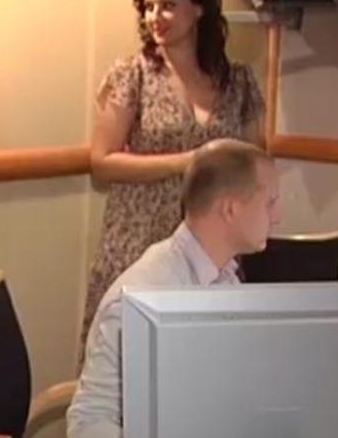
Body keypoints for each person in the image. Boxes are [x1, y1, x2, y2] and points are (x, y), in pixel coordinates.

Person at [80, 0, 267, 357]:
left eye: (167, 5)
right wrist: (188, 161)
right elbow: (102, 161)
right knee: (130, 359)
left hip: (212, 240)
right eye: (148, 7)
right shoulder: (133, 75)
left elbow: (255, 161)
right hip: (139, 235)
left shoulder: (237, 81)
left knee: (204, 359)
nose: (155, 17)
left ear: (198, 9)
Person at [67, 139, 282, 437]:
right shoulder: (144, 297)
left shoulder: (226, 280)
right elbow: (89, 421)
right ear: (231, 209)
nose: (278, 217)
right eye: (270, 202)